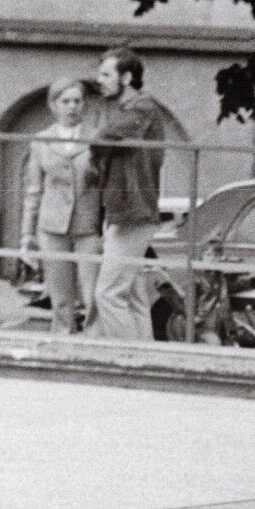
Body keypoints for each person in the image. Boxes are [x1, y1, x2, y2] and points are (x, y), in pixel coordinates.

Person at [86, 47, 168, 341]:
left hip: (133, 211)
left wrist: (97, 142)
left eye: (106, 74)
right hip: (123, 212)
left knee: (108, 293)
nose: (99, 80)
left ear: (127, 77)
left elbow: (105, 139)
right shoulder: (122, 109)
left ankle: (128, 356)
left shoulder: (141, 107)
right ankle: (146, 355)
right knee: (133, 296)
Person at [19, 77, 101, 334]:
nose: (72, 106)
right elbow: (33, 191)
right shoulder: (41, 141)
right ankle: (62, 342)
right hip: (51, 227)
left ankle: (94, 344)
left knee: (93, 295)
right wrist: (27, 236)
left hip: (88, 226)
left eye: (77, 101)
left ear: (84, 104)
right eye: (65, 101)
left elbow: (106, 185)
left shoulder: (96, 138)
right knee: (61, 297)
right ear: (53, 105)